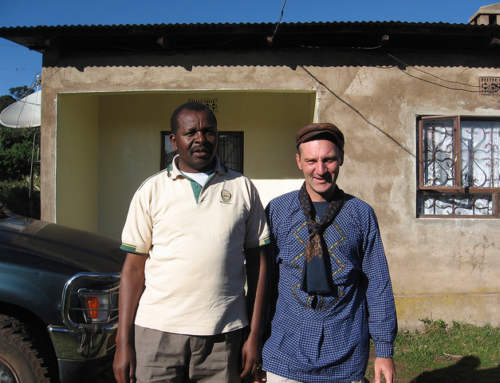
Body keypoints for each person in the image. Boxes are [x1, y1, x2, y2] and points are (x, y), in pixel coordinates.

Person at [113, 102, 270, 383]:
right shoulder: (151, 190)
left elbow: (259, 267)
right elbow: (133, 271)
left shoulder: (242, 188)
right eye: (191, 132)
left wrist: (254, 335)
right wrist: (123, 342)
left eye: (209, 132)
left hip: (224, 335)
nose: (201, 139)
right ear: (174, 141)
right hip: (156, 333)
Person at [262, 123, 397, 383]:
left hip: (345, 356)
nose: (320, 170)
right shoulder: (277, 211)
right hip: (284, 355)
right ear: (299, 161)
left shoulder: (361, 214)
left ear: (342, 158)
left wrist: (384, 349)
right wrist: (255, 345)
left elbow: (377, 283)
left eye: (329, 159)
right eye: (312, 160)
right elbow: (265, 285)